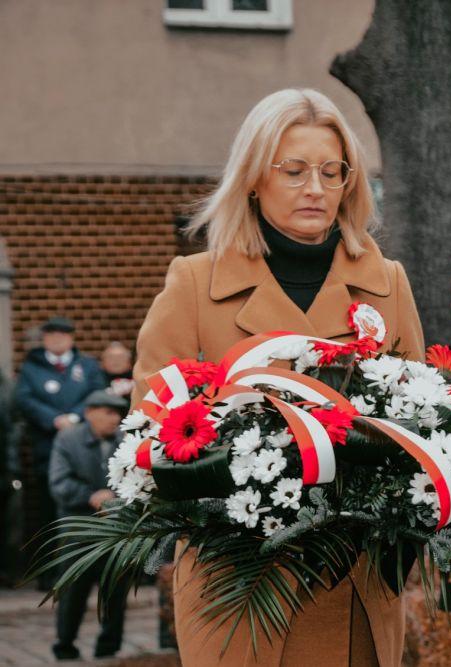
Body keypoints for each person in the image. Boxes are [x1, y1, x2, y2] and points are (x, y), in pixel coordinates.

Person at [131, 88, 424, 667]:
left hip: (355, 588)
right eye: (292, 170)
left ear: (349, 182)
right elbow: (153, 428)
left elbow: (421, 421)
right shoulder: (194, 281)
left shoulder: (387, 282)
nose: (314, 188)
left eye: (330, 171)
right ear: (253, 179)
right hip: (239, 593)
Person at [14, 316, 105, 586]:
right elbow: (25, 399)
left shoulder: (86, 366)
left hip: (84, 450)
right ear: (44, 338)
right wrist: (54, 419)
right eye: (51, 334)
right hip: (45, 449)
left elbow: (95, 393)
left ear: (71, 338)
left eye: (62, 335)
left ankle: (89, 572)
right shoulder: (32, 368)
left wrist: (75, 419)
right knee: (46, 514)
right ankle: (49, 574)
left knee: (83, 510)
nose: (57, 339)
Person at [48, 390, 129, 661]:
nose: (115, 418)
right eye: (108, 412)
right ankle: (65, 644)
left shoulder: (125, 440)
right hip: (78, 530)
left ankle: (109, 647)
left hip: (116, 530)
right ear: (89, 412)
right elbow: (59, 483)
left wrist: (115, 498)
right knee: (73, 591)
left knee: (115, 592)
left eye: (118, 412)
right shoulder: (67, 439)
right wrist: (91, 496)